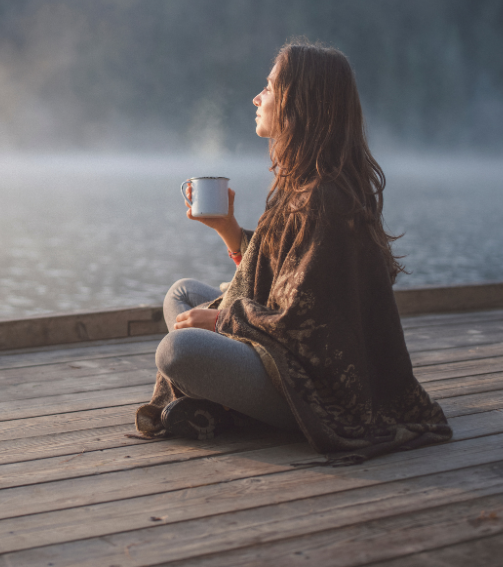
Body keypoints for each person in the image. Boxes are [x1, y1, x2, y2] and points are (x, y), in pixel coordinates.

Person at [135, 39, 452, 463]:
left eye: (268, 87)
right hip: (282, 351)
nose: (257, 97)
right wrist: (228, 229)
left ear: (298, 102)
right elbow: (279, 274)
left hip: (317, 389)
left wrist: (222, 319)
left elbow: (305, 322)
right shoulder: (302, 182)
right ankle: (222, 399)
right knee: (183, 294)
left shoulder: (325, 197)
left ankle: (230, 407)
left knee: (178, 351)